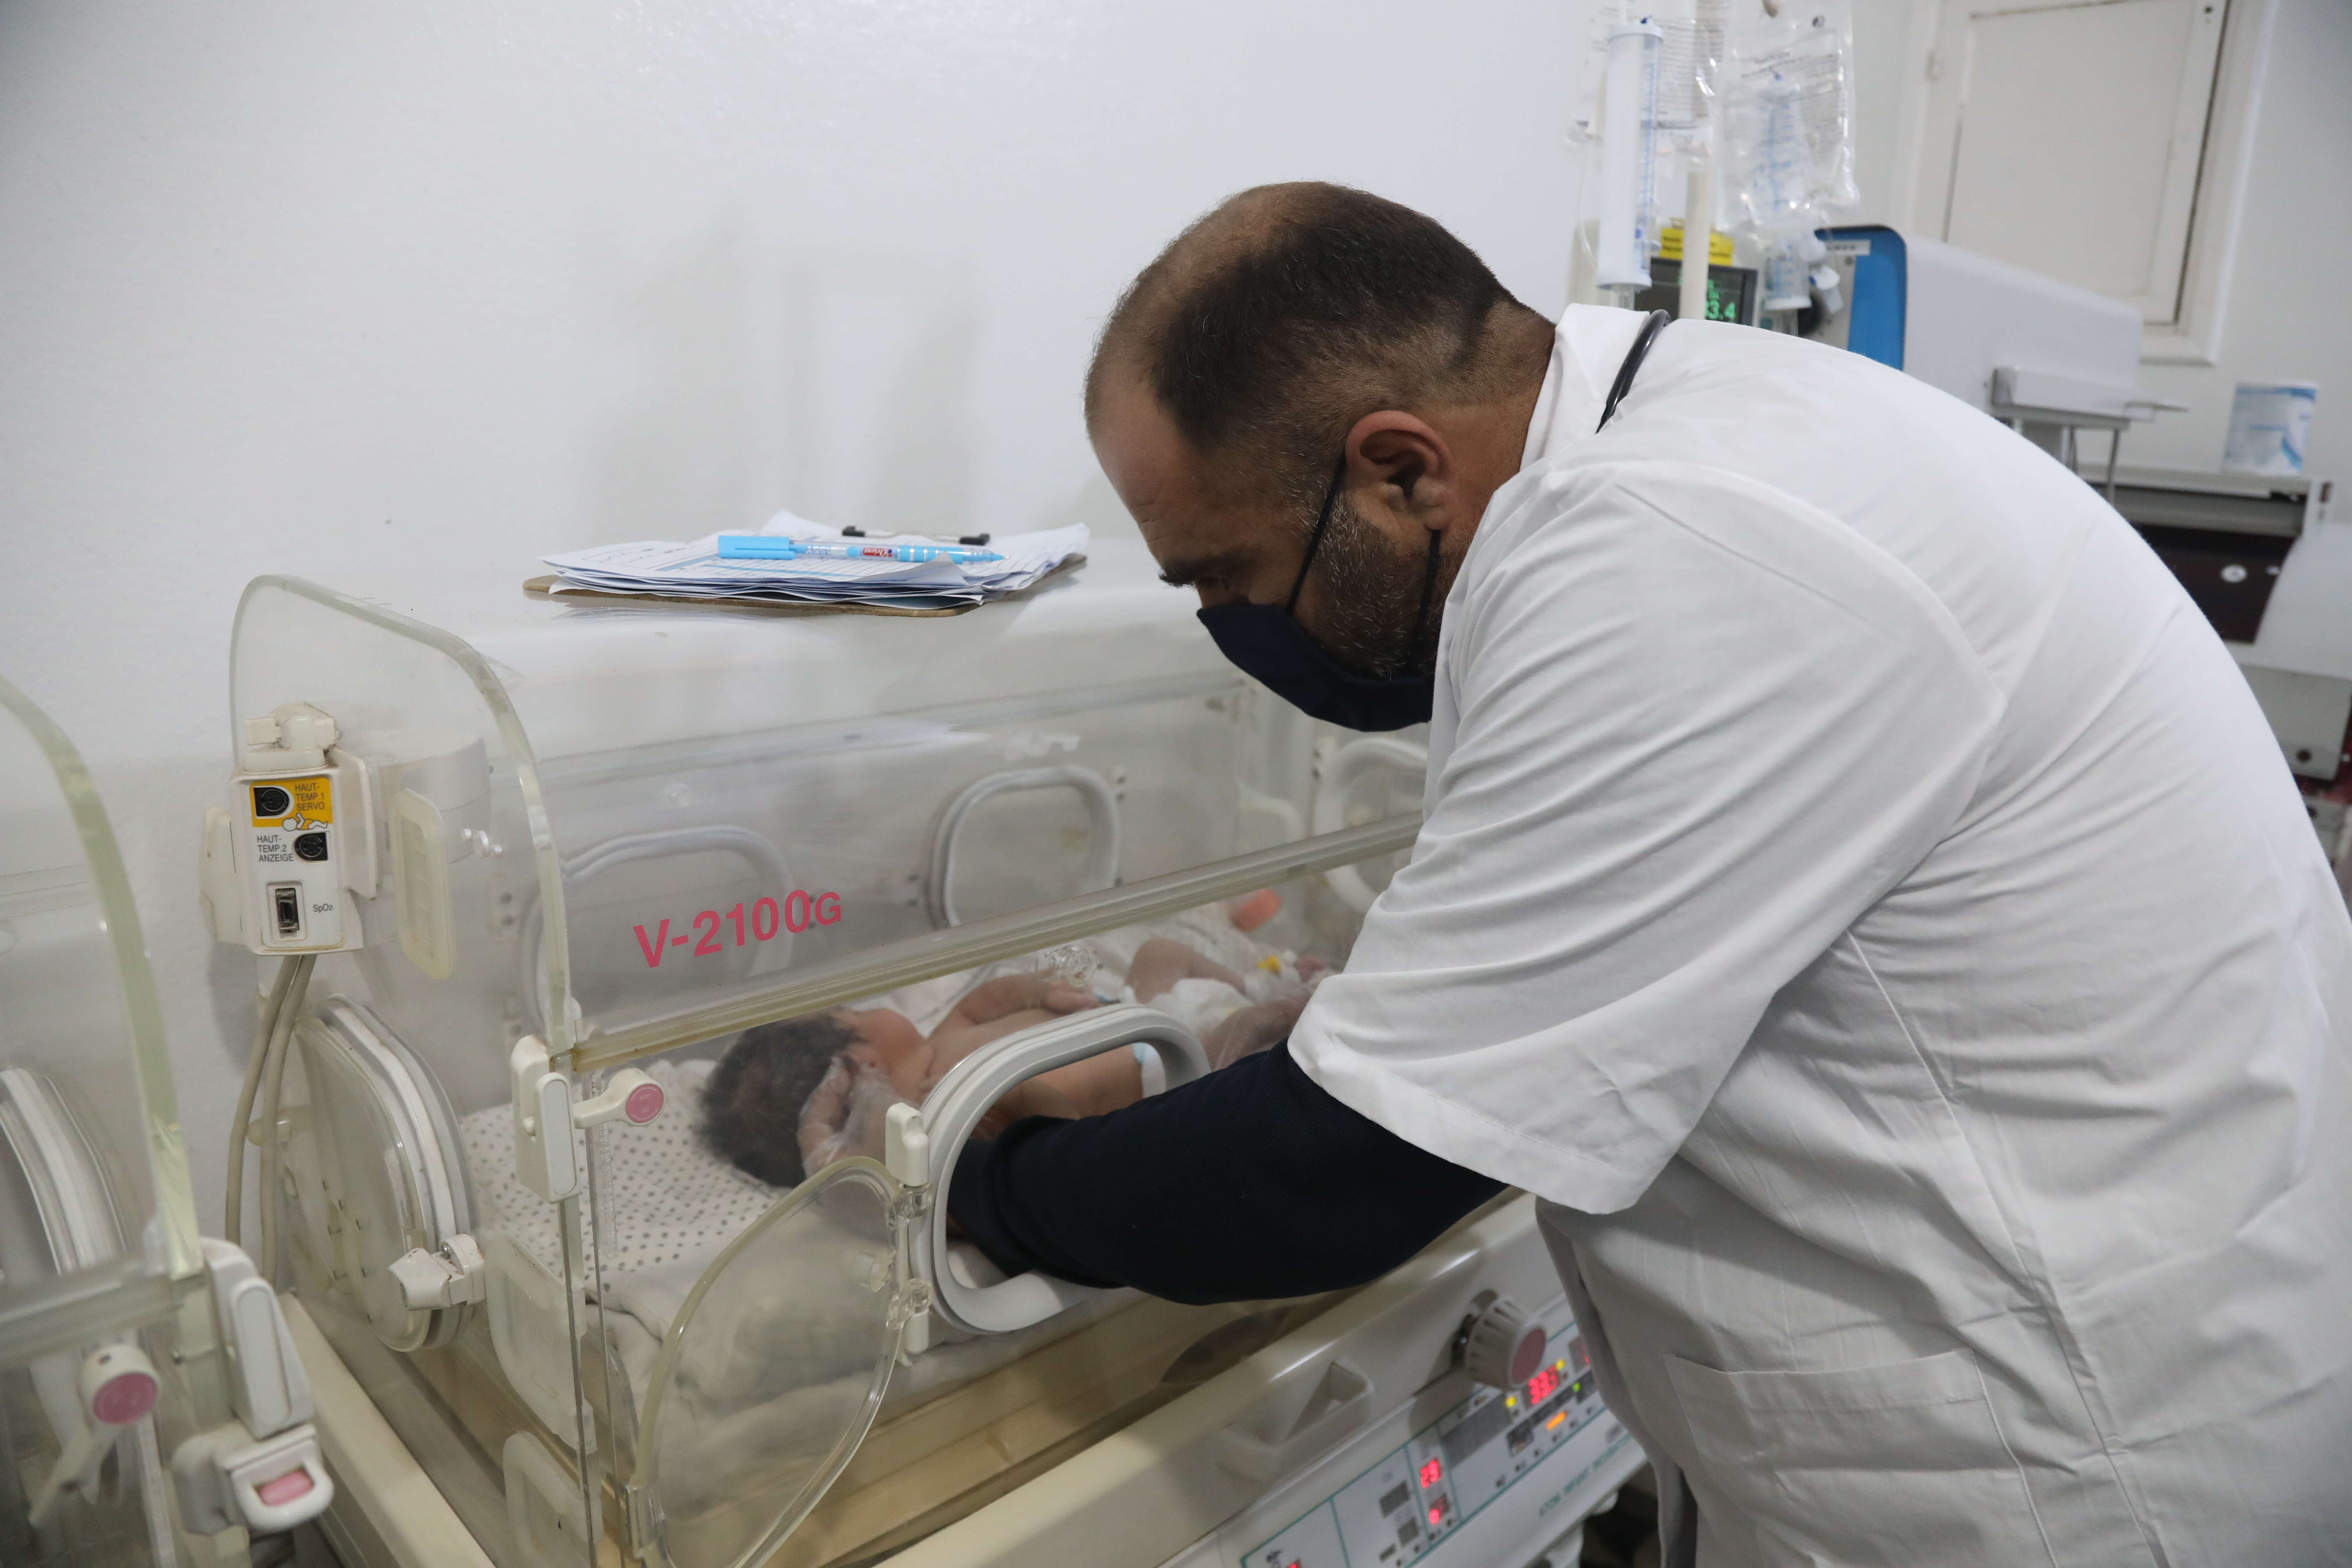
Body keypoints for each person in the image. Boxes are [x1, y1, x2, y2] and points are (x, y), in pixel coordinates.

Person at [814, 182, 2352, 1565]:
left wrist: (967, 1187)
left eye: (1224, 574)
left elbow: (1341, 1169)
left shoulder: (1675, 556)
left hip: (2068, 1465)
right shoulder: (1691, 438)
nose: (1228, 624)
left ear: (1400, 469)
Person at [703, 939, 1309, 1189]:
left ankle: (1257, 984)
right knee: (1256, 1034)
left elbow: (982, 1001)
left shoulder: (938, 1041)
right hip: (1173, 1068)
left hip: (1138, 1011)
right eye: (861, 1011)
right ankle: (1295, 1003)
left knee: (1159, 951)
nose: (879, 1007)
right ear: (862, 1060)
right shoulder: (941, 1107)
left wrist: (1038, 993)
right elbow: (1060, 1135)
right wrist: (1027, 1103)